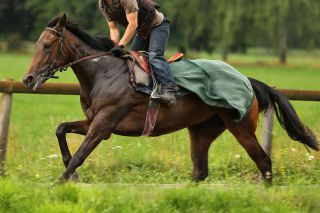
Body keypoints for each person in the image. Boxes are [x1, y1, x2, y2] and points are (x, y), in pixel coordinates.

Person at [98, 0, 177, 104]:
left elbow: (133, 24)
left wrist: (121, 45)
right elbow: (113, 29)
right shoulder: (103, 4)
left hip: (158, 25)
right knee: (133, 59)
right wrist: (114, 47)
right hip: (141, 32)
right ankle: (145, 89)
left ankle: (169, 90)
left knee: (154, 56)